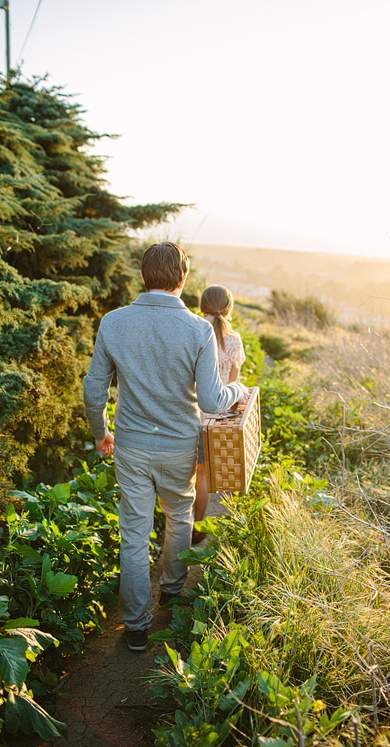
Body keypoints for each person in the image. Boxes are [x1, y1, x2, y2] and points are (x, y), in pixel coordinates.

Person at [83, 243, 248, 652]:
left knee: (133, 534)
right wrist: (239, 389)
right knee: (179, 515)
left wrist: (100, 432)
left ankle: (136, 627)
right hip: (179, 446)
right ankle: (172, 591)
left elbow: (93, 388)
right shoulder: (197, 329)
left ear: (143, 276)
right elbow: (212, 401)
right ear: (183, 278)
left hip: (131, 446)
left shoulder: (113, 322)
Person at [192, 285, 246, 543]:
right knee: (224, 471)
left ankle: (195, 525)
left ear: (203, 305)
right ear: (227, 307)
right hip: (221, 415)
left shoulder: (192, 330)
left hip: (194, 411)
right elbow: (234, 383)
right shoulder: (233, 340)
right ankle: (233, 528)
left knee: (197, 473)